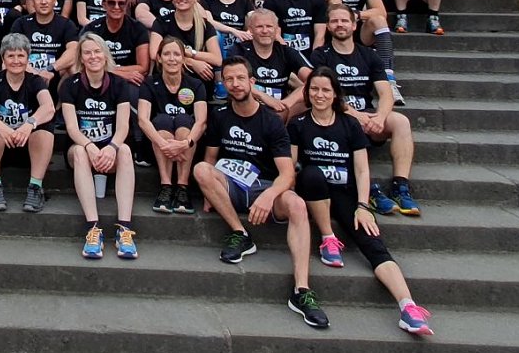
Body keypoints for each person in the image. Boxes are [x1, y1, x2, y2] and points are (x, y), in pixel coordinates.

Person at [289, 67, 434, 336]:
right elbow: (292, 165)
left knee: (373, 243)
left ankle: (408, 306)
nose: (319, 95)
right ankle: (328, 236)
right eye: (314, 89)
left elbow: (362, 169)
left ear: (335, 94)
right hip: (314, 189)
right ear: (307, 93)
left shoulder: (350, 124)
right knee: (310, 174)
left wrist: (363, 205)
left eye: (325, 90)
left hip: (345, 191)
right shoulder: (298, 124)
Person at [192, 56, 330, 329]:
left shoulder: (271, 121)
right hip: (231, 185)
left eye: (240, 78)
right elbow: (209, 159)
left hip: (265, 187)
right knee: (200, 170)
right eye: (229, 79)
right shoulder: (219, 116)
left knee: (298, 205)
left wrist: (268, 196)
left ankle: (302, 291)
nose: (234, 84)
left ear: (252, 82)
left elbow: (288, 173)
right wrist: (209, 192)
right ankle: (240, 233)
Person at [310, 3, 420, 217]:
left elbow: (386, 93)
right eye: (334, 21)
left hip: (369, 115)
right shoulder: (321, 56)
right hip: (338, 115)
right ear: (328, 26)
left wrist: (380, 116)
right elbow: (324, 95)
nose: (339, 25)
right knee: (341, 126)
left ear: (354, 25)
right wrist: (358, 116)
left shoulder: (369, 55)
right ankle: (369, 189)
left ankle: (400, 186)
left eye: (344, 21)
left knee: (401, 122)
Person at [60, 33, 138, 260]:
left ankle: (125, 229)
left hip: (110, 149)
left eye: (97, 51)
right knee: (82, 153)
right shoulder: (70, 85)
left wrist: (111, 147)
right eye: (87, 52)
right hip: (80, 149)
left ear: (105, 55)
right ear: (81, 58)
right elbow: (72, 128)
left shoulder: (119, 84)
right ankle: (93, 229)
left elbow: (123, 126)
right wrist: (90, 145)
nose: (93, 56)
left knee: (124, 150)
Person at [0, 32, 57, 212]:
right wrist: (2, 128)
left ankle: (35, 187)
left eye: (21, 55)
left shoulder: (35, 81)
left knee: (45, 126)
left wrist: (28, 125)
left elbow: (49, 107)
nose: (16, 61)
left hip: (29, 146)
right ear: (3, 58)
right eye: (11, 56)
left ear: (28, 58)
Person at [315, 0, 401, 103]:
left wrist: (356, 14)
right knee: (334, 1)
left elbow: (380, 10)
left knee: (379, 20)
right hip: (333, 30)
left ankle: (389, 79)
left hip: (357, 30)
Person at [139, 36, 208, 215]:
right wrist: (165, 145)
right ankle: (166, 185)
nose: (172, 58)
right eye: (167, 54)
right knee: (162, 120)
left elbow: (201, 121)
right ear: (159, 58)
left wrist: (184, 144)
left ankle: (183, 187)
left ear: (184, 59)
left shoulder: (195, 84)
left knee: (185, 121)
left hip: (187, 145)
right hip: (158, 144)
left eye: (177, 54)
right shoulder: (149, 83)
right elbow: (143, 120)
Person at [232, 7, 312, 121]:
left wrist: (287, 102)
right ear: (250, 29)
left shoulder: (286, 51)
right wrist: (264, 97)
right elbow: (235, 82)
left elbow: (313, 79)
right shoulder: (239, 50)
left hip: (281, 108)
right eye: (259, 26)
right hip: (249, 105)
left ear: (277, 30)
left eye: (269, 26)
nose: (265, 31)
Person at [149, 0, 223, 87]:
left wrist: (191, 52)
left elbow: (217, 60)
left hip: (199, 84)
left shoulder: (205, 25)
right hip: (167, 83)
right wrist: (191, 62)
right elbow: (154, 54)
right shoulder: (161, 22)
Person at [12, 0, 78, 94]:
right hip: (26, 72)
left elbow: (74, 50)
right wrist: (35, 74)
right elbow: (12, 52)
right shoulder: (21, 23)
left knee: (75, 68)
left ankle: (62, 107)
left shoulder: (66, 24)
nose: (43, 2)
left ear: (55, 0)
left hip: (56, 72)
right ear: (32, 2)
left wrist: (51, 69)